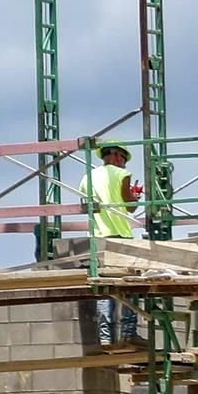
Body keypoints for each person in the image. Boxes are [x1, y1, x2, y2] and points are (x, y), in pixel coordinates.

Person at [79, 140, 146, 348]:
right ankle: (128, 333)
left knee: (105, 288)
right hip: (120, 238)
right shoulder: (121, 175)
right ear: (117, 156)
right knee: (129, 286)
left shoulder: (86, 178)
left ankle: (105, 337)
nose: (124, 164)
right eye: (123, 160)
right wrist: (134, 195)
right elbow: (131, 207)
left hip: (98, 239)